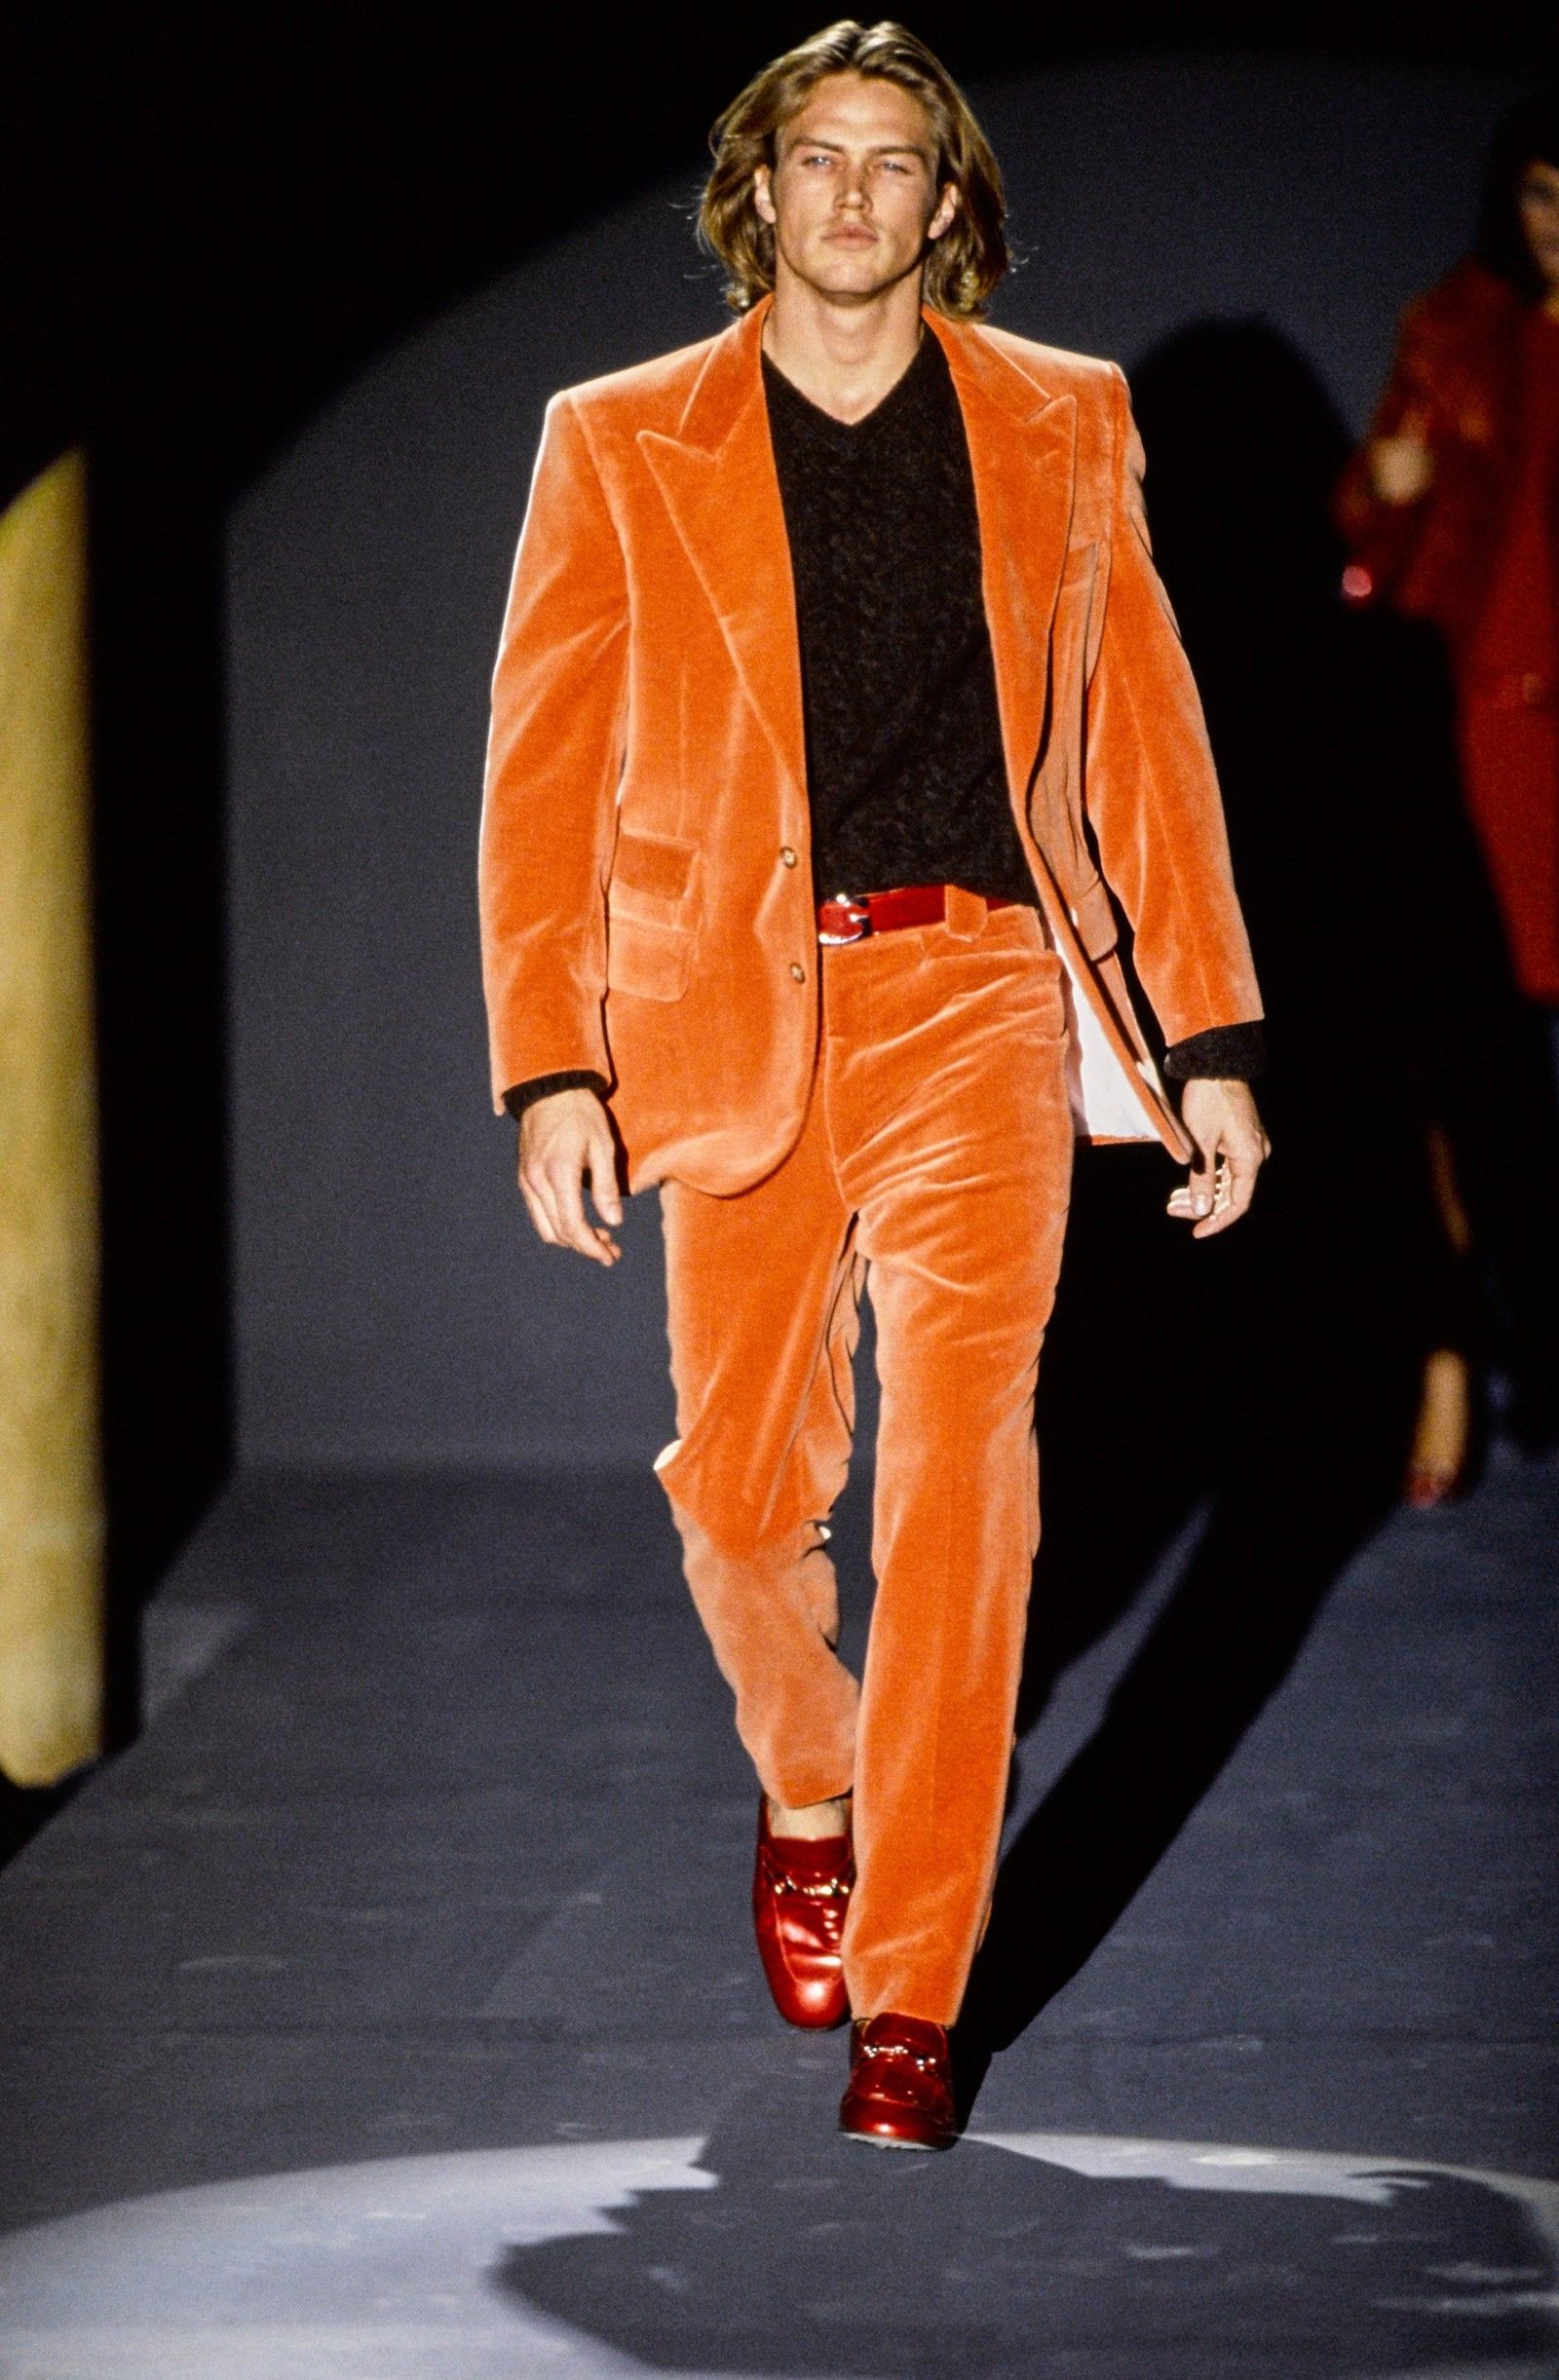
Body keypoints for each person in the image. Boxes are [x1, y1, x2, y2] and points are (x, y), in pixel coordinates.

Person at [478, 19, 1267, 2151]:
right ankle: (809, 1775)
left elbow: (1146, 738)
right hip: (730, 1011)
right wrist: (552, 1064)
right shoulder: (617, 438)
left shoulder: (1061, 420)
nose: (849, 193)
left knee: (964, 1484)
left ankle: (915, 1989)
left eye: (891, 160)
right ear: (757, 191)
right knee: (740, 1499)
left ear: (946, 204)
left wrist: (1206, 1038)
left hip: (978, 990)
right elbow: (542, 776)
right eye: (814, 156)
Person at [1338, 93, 1559, 1485]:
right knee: (1451, 1074)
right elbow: (1367, 548)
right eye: (1541, 193)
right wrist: (1382, 487)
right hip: (1479, 742)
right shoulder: (1458, 333)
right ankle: (1448, 1364)